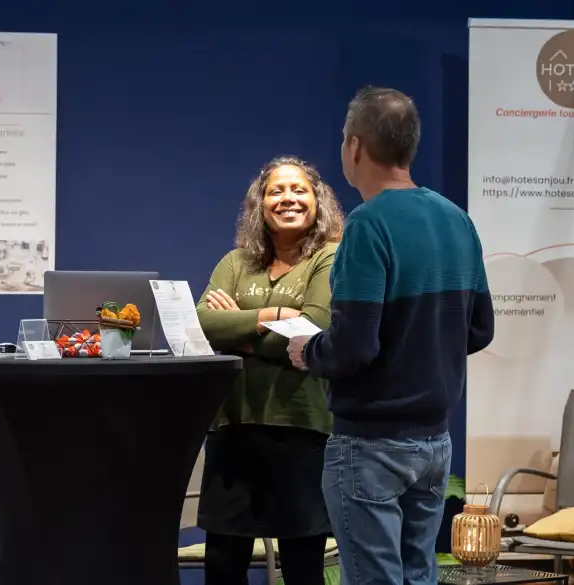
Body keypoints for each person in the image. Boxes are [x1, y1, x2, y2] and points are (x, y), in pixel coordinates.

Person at [286, 87, 494, 585]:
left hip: (369, 445)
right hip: (434, 444)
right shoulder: (456, 220)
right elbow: (481, 329)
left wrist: (308, 350)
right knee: (417, 575)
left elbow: (355, 345)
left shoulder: (366, 225)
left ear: (354, 147)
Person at [195, 155, 345, 585]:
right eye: (276, 191)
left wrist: (239, 327)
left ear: (317, 200)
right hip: (233, 427)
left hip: (300, 427)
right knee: (222, 566)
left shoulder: (328, 258)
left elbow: (314, 329)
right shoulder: (236, 262)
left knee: (301, 568)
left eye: (299, 189)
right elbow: (201, 324)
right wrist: (273, 315)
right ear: (260, 205)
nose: (288, 198)